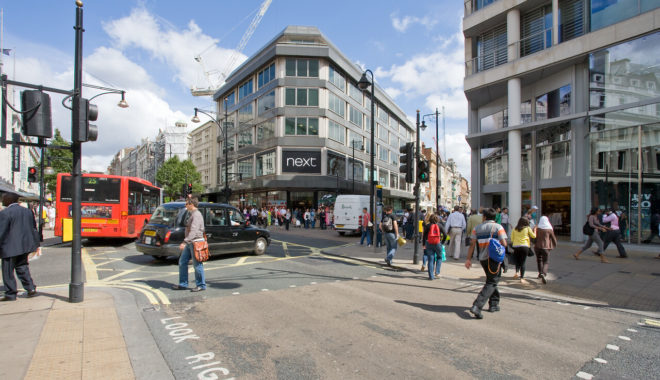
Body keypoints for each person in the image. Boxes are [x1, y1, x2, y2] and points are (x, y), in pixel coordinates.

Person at [465, 208, 508, 319]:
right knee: (492, 282)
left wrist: (468, 259)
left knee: (492, 279)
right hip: (494, 258)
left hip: (483, 258)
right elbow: (504, 243)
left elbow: (472, 245)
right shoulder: (498, 227)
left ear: (484, 217)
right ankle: (477, 306)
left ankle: (494, 304)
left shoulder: (477, 228)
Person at [0, 192, 39, 301]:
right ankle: (30, 288)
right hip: (24, 246)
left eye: (4, 198)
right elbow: (33, 229)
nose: (2, 200)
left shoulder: (5, 213)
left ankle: (11, 293)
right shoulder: (27, 212)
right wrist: (36, 245)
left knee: (8, 271)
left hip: (9, 247)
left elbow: (1, 232)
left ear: (9, 200)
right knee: (22, 267)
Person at [172, 197, 206, 292]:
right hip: (191, 242)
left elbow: (194, 231)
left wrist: (184, 242)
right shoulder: (192, 214)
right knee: (182, 262)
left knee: (197, 264)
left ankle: (201, 285)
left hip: (196, 242)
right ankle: (183, 284)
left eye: (186, 204)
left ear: (192, 204)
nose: (185, 205)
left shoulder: (197, 215)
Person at [510, 217, 536, 284]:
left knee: (517, 260)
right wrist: (535, 230)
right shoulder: (527, 228)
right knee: (523, 262)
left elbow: (512, 239)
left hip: (516, 246)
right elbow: (534, 236)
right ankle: (522, 278)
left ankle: (516, 272)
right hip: (525, 246)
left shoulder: (514, 229)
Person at [534, 215, 557, 284]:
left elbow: (533, 237)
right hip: (546, 247)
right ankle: (543, 273)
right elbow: (553, 238)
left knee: (539, 260)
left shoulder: (537, 228)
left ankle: (540, 273)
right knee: (546, 261)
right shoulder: (549, 229)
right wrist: (554, 245)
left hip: (537, 247)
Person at [422, 213, 443, 280]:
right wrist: (442, 242)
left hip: (429, 243)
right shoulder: (439, 225)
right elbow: (445, 234)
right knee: (439, 257)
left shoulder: (428, 226)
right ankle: (437, 272)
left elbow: (424, 236)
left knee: (431, 259)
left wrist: (424, 244)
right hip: (437, 243)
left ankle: (431, 276)